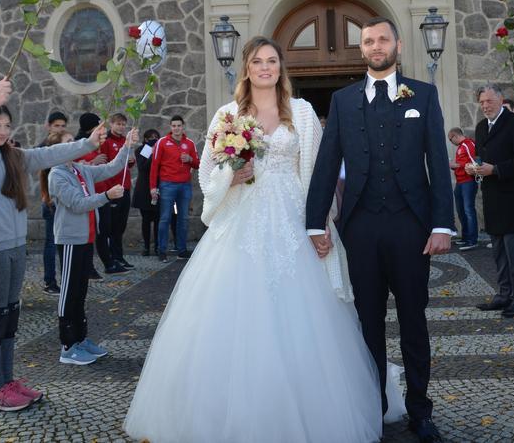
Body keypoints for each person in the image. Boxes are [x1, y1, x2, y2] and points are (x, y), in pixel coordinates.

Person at [125, 37, 389, 442]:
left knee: (303, 314)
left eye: (271, 61)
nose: (265, 68)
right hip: (241, 220)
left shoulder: (300, 113)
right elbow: (207, 170)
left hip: (292, 220)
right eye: (257, 62)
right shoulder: (227, 114)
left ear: (281, 68)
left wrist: (322, 225)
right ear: (246, 69)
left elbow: (319, 176)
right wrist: (232, 176)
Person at [306, 17, 453, 443]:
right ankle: (372, 407)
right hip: (361, 228)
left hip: (412, 227)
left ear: (397, 45)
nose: (375, 46)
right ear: (362, 49)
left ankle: (420, 411)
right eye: (368, 40)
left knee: (414, 321)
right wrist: (315, 222)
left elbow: (437, 166)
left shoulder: (423, 96)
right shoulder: (343, 100)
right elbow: (327, 163)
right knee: (366, 323)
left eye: (382, 39)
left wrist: (442, 224)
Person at [0, 105, 106, 411]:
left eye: (6, 125)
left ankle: (7, 381)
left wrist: (88, 143)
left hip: (15, 245)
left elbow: (51, 155)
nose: (2, 131)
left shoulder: (14, 156)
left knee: (10, 316)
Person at [48, 128, 138, 365]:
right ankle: (67, 346)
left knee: (80, 291)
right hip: (69, 240)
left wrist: (127, 145)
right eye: (68, 143)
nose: (74, 145)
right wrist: (107, 196)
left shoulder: (79, 169)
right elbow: (77, 204)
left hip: (86, 238)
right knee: (69, 292)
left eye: (73, 142)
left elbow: (110, 169)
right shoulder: (57, 174)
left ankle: (80, 338)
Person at [468, 84, 514, 319]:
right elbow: (482, 159)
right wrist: (474, 167)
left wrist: (495, 169)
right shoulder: (480, 128)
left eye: (489, 101)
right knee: (498, 253)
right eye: (482, 102)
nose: (485, 106)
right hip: (493, 199)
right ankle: (504, 293)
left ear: (500, 99)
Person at [75, 113, 121, 277]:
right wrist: (92, 163)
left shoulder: (97, 144)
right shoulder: (80, 145)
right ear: (90, 128)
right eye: (98, 126)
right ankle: (90, 267)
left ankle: (108, 263)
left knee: (104, 229)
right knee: (94, 232)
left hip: (103, 192)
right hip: (90, 195)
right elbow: (75, 169)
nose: (102, 130)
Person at [149, 115, 199, 263]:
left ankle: (181, 250)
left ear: (183, 126)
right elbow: (154, 166)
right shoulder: (162, 142)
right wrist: (153, 187)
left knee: (183, 218)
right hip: (167, 185)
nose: (176, 128)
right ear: (170, 127)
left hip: (184, 186)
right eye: (174, 126)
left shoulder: (189, 143)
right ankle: (162, 250)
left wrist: (190, 160)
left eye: (179, 125)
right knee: (165, 218)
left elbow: (197, 164)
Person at [94, 113, 136, 271]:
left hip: (125, 187)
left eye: (123, 124)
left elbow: (127, 164)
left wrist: (131, 161)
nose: (121, 126)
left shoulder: (126, 142)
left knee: (120, 226)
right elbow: (104, 165)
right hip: (112, 189)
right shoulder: (107, 142)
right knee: (110, 227)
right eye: (118, 123)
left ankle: (119, 256)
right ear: (111, 124)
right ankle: (111, 258)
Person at [37, 111, 69, 295]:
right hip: (50, 202)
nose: (60, 129)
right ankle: (50, 281)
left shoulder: (66, 146)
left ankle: (66, 278)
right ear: (48, 126)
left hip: (63, 202)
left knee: (63, 243)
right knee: (51, 243)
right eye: (56, 125)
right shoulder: (44, 147)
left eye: (63, 125)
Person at [131, 129, 167, 256]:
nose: (154, 139)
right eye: (151, 137)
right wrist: (152, 154)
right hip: (144, 189)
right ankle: (146, 247)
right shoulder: (141, 150)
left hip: (158, 187)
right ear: (146, 139)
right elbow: (143, 167)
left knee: (158, 219)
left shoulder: (162, 150)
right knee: (146, 220)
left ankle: (158, 246)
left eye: (156, 137)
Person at [447, 127, 478, 251]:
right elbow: (463, 163)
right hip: (460, 182)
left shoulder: (468, 144)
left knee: (468, 210)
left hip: (468, 182)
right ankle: (465, 237)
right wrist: (455, 166)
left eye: (450, 139)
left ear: (455, 135)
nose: (451, 142)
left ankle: (472, 240)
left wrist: (456, 165)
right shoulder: (461, 147)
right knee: (461, 210)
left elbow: (474, 161)